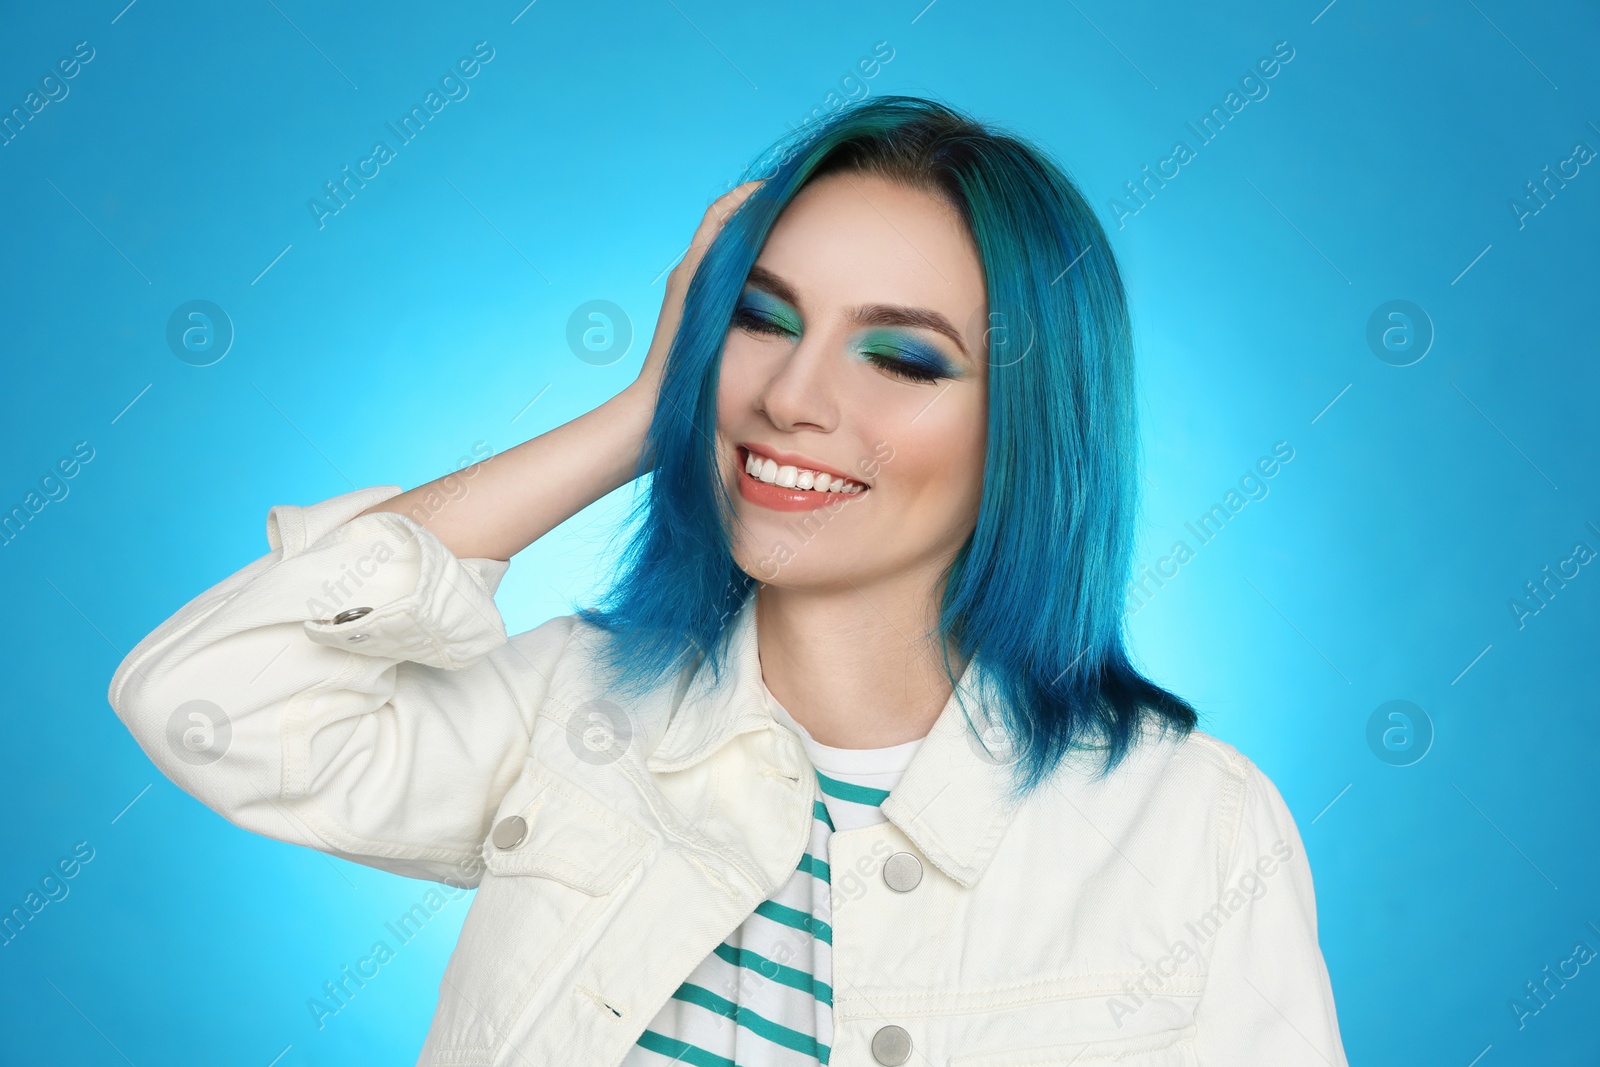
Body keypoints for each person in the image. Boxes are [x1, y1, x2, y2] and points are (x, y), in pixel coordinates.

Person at [108, 96, 1348, 1066]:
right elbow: (208, 696)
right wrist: (638, 415)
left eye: (902, 358)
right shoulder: (570, 706)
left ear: (1033, 425)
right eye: (761, 318)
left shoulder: (1193, 829)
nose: (793, 397)